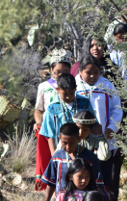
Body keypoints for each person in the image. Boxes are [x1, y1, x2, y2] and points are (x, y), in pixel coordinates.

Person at [76, 55, 123, 201]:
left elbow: (117, 109)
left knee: (103, 176)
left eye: (96, 72)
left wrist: (111, 128)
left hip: (104, 139)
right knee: (83, 175)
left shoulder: (107, 85)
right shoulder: (75, 86)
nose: (92, 76)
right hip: (81, 141)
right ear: (79, 71)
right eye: (88, 73)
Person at [40, 123, 104, 201]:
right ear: (59, 138)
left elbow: (98, 186)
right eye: (64, 143)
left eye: (72, 143)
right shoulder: (57, 157)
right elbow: (51, 183)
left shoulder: (90, 158)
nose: (68, 146)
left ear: (79, 139)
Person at [34, 49, 72, 191]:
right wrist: (39, 122)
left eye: (65, 72)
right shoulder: (44, 87)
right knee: (53, 159)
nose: (60, 75)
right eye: (57, 72)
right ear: (51, 70)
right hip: (50, 129)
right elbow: (38, 110)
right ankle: (55, 190)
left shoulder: (74, 86)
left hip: (68, 129)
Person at [39, 73, 95, 156]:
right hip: (63, 149)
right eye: (64, 94)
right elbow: (50, 134)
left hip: (83, 148)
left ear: (75, 88)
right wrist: (53, 154)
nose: (68, 97)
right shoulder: (53, 107)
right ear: (57, 90)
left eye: (71, 93)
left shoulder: (85, 103)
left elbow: (92, 124)